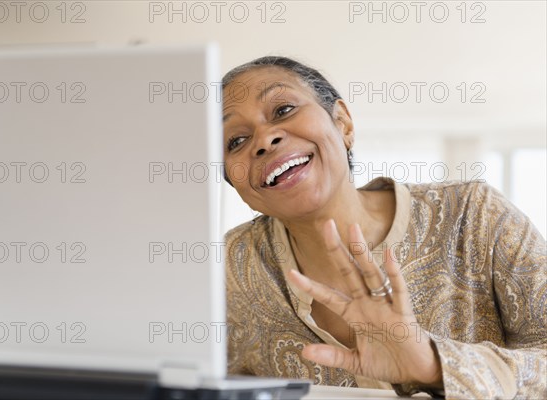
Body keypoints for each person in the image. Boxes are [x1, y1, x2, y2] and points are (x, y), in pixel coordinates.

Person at [221, 56, 546, 399]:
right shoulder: (227, 270)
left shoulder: (474, 214)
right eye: (235, 141)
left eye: (283, 109)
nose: (264, 139)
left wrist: (433, 366)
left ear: (343, 123)